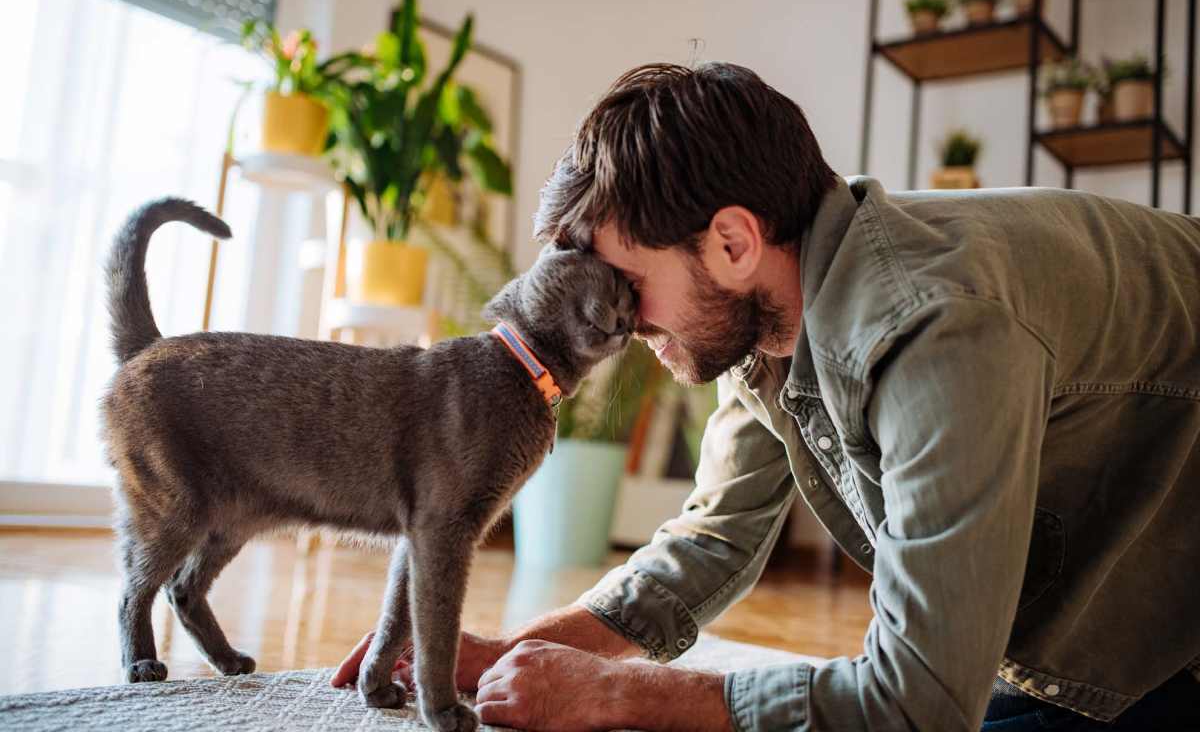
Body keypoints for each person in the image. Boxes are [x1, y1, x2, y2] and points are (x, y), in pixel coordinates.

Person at [331, 62, 1200, 731]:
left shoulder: (937, 329)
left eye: (630, 282)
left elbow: (918, 703)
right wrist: (520, 651)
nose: (621, 321)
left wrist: (626, 695)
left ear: (733, 241)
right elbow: (715, 538)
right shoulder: (774, 312)